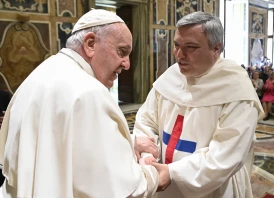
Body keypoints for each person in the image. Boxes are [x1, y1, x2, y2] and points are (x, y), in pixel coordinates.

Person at [0, 9, 159, 198]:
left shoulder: (42, 73)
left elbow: (57, 139)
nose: (127, 64)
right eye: (122, 52)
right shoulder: (89, 93)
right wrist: (155, 174)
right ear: (90, 44)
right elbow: (122, 190)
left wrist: (129, 142)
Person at [133, 11, 264, 198]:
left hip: (212, 188)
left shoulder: (236, 89)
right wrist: (147, 153)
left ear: (216, 48)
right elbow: (146, 121)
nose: (179, 54)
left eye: (190, 47)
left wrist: (172, 173)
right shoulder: (170, 77)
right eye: (176, 45)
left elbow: (225, 155)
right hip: (159, 178)